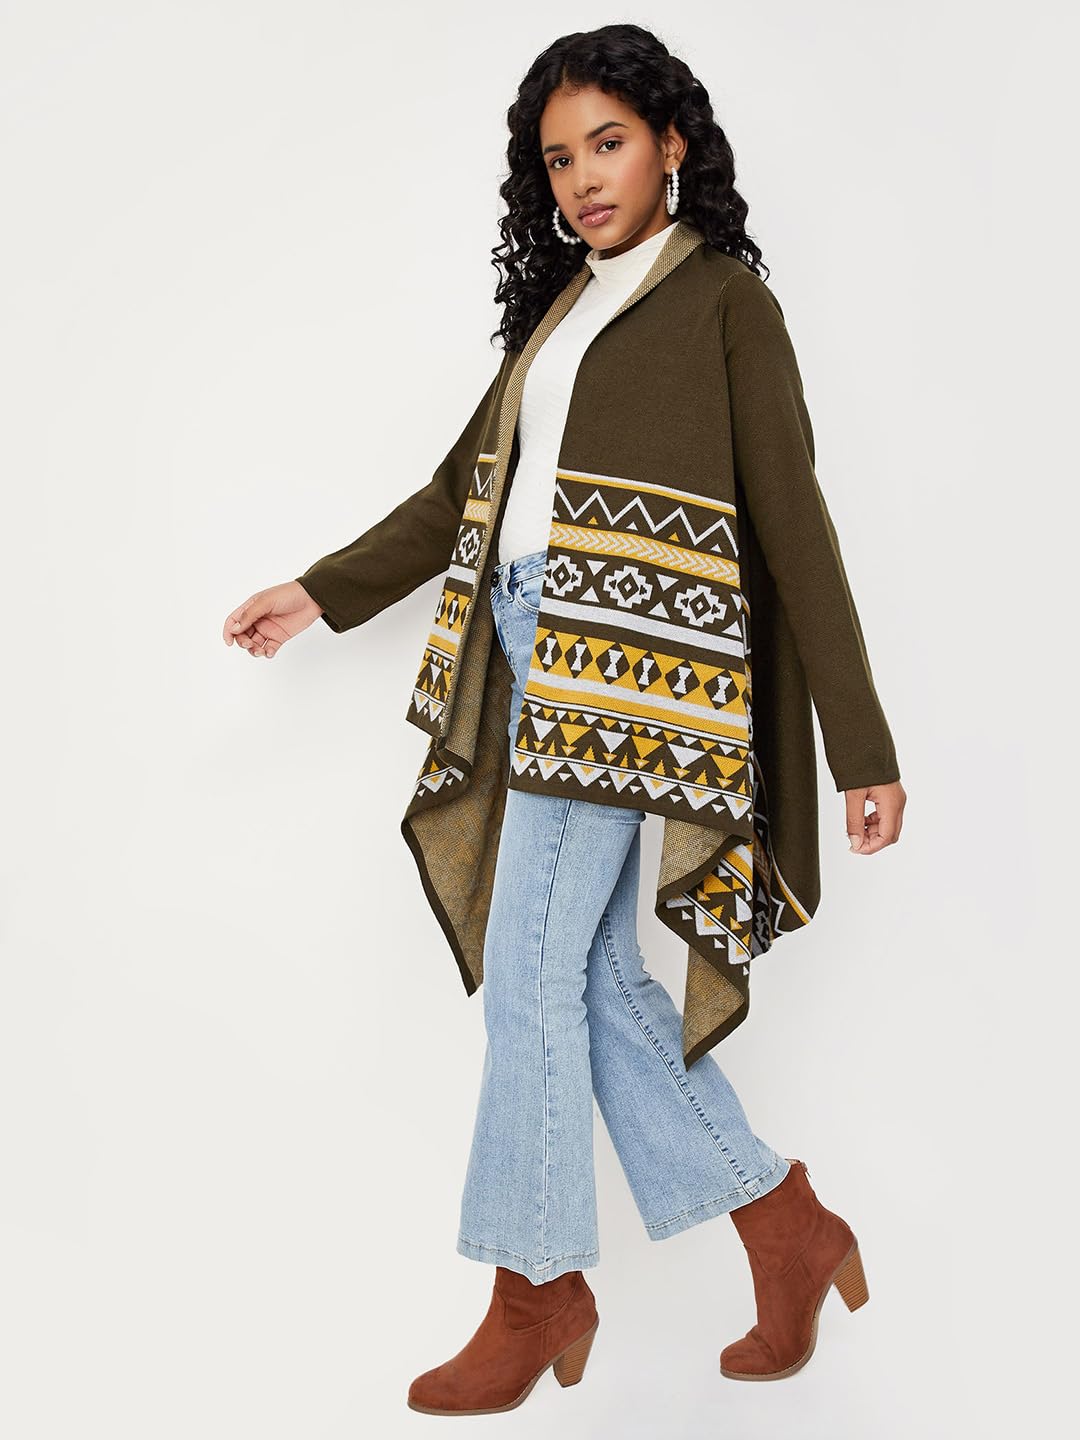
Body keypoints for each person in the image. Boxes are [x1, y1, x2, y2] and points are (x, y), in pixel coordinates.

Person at [222, 23, 906, 1417]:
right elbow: (458, 496)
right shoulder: (560, 314)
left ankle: (537, 1287)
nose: (584, 177)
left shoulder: (724, 301)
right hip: (527, 648)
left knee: (531, 968)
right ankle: (785, 1224)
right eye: (557, 158)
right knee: (586, 981)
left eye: (609, 143)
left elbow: (795, 525)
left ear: (671, 146)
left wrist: (863, 748)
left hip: (625, 677)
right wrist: (320, 592)